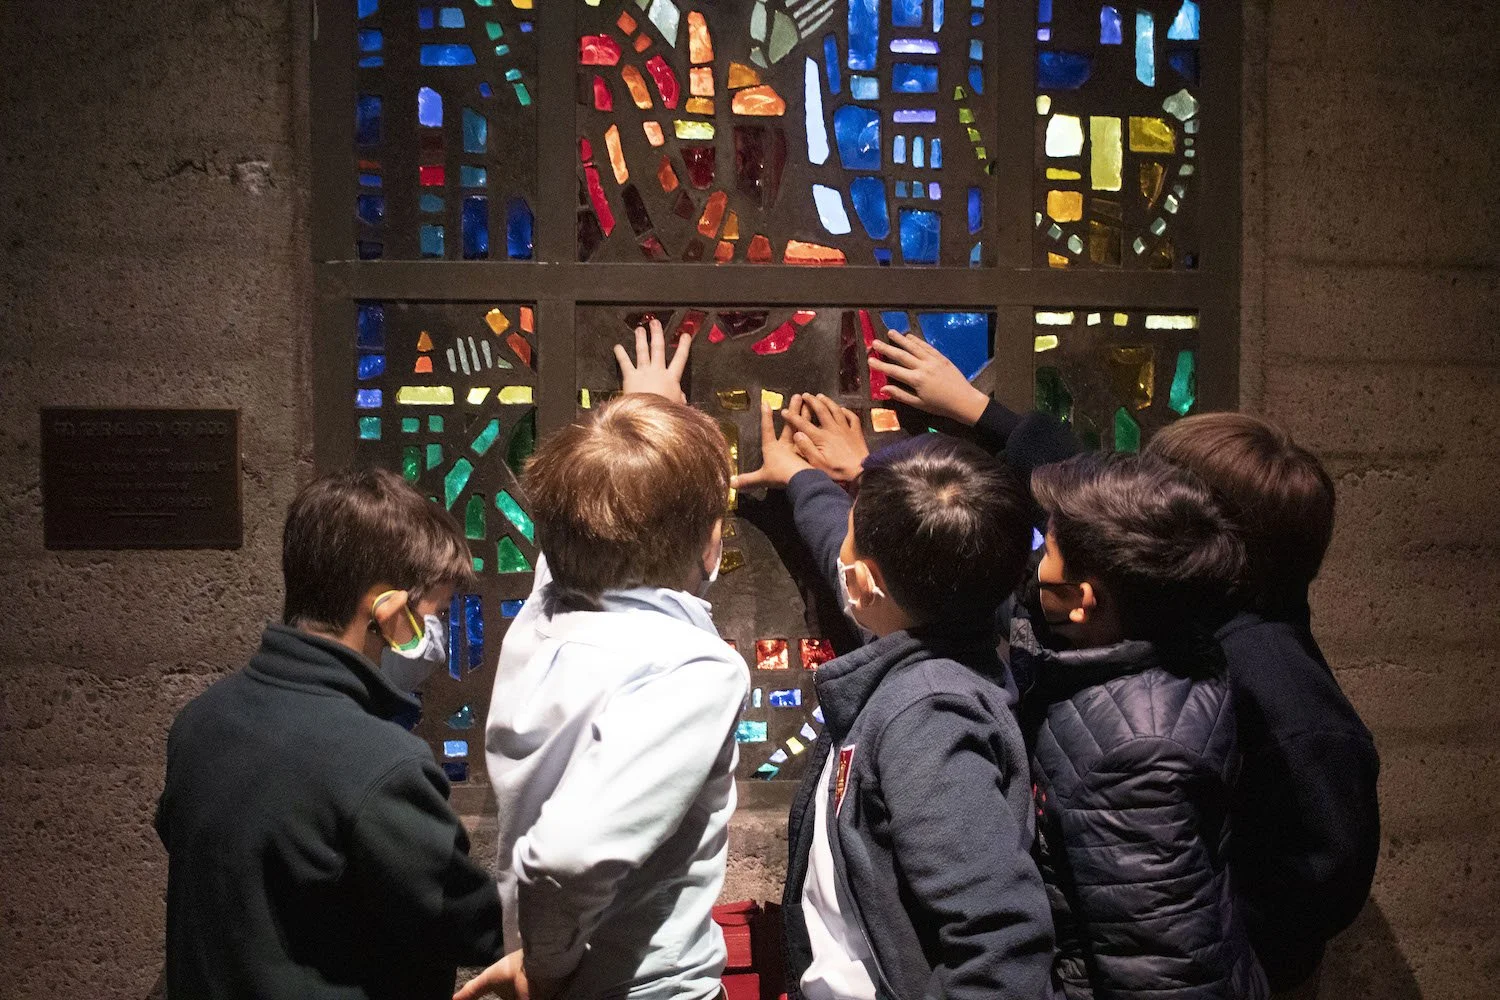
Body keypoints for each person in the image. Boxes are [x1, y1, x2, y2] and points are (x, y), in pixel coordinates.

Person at [461, 321, 749, 1000]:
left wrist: (643, 417)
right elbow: (570, 854)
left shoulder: (544, 622)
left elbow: (573, 538)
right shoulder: (692, 669)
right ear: (712, 545)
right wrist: (548, 965)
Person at [735, 409, 1057, 1000]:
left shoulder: (928, 719)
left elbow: (1000, 941)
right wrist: (806, 481)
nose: (842, 549)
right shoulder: (947, 632)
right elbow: (845, 544)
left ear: (865, 587)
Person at [155, 468, 503, 1000]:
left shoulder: (202, 719)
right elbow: (469, 924)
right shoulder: (383, 763)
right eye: (434, 614)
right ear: (389, 612)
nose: (436, 637)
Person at [1017, 453, 1267, 1000]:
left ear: (1083, 601)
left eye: (1048, 550)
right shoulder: (1176, 641)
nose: (1036, 565)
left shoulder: (1134, 756)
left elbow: (1164, 974)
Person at [1147, 414, 1380, 996]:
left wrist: (1209, 930)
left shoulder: (1277, 682)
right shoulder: (1210, 630)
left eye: (1154, 499)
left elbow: (1331, 870)